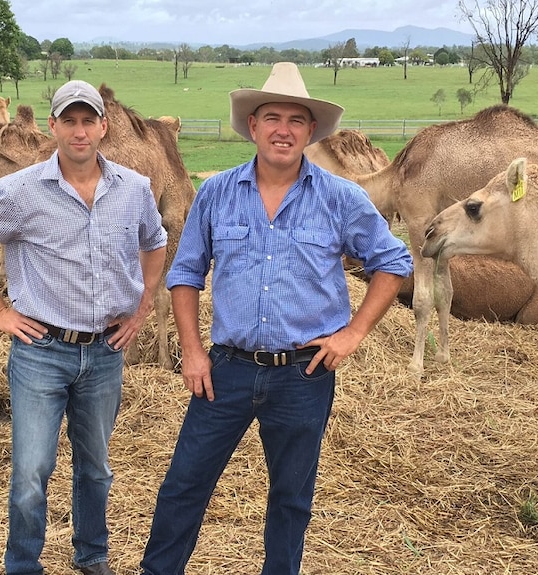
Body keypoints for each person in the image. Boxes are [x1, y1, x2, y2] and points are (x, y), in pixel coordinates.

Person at [139, 62, 413, 575]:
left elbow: (393, 262)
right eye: (271, 118)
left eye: (295, 119)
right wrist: (194, 351)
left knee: (290, 497)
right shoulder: (217, 193)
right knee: (184, 484)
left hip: (304, 374)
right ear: (253, 126)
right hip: (226, 371)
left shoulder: (341, 197)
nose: (282, 129)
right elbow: (186, 274)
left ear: (310, 130)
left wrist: (353, 332)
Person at [0, 80, 168, 575]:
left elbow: (155, 241)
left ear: (103, 126)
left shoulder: (133, 189)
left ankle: (91, 556)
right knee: (32, 470)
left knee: (95, 467)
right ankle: (24, 564)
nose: (79, 131)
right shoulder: (19, 190)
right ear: (52, 126)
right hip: (41, 351)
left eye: (88, 120)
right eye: (68, 121)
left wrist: (139, 308)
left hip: (103, 352)